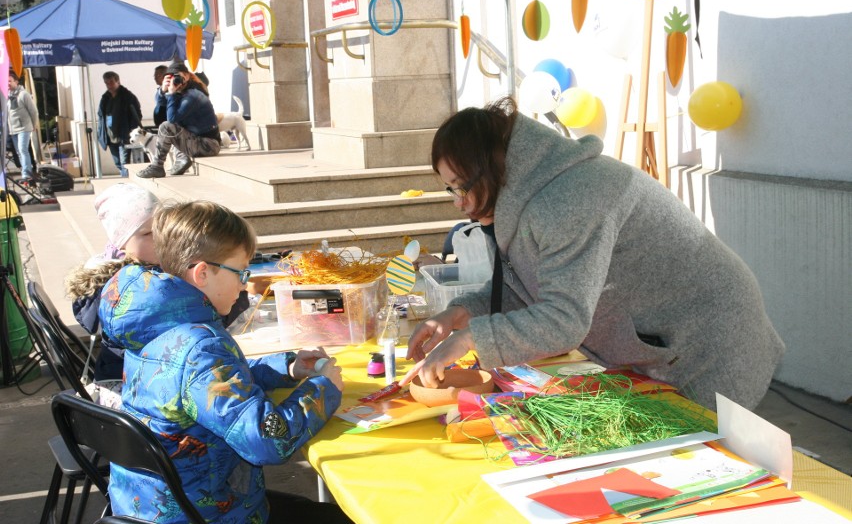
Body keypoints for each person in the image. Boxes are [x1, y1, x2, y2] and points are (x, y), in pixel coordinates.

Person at [406, 98, 785, 411]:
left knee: (706, 462)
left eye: (462, 187)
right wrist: (462, 313)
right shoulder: (522, 194)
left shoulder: (569, 199)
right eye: (449, 190)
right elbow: (526, 288)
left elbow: (563, 319)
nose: (459, 204)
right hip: (665, 340)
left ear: (491, 168)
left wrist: (470, 338)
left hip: (709, 339)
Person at [98, 200, 351, 522]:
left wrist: (286, 367)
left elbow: (206, 390)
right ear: (203, 272)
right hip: (207, 512)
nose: (245, 283)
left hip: (151, 507)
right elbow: (268, 440)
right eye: (241, 272)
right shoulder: (199, 347)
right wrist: (322, 388)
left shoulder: (158, 323)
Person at [65, 183, 159, 383]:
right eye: (147, 233)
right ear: (121, 241)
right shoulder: (116, 285)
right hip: (128, 383)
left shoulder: (153, 267)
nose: (160, 239)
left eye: (163, 229)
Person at [136, 60, 221, 179]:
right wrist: (162, 90)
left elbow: (171, 119)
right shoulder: (181, 93)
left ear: (186, 76)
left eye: (178, 77)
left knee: (167, 127)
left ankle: (157, 166)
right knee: (171, 127)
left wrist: (171, 94)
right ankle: (181, 157)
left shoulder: (193, 95)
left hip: (209, 145)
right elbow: (160, 104)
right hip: (197, 141)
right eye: (170, 78)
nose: (174, 81)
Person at [97, 71, 142, 177]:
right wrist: (101, 133)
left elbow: (137, 115)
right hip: (110, 137)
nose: (109, 85)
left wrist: (130, 131)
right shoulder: (105, 98)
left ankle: (127, 183)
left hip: (124, 136)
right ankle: (126, 180)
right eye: (106, 83)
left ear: (118, 81)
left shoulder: (128, 96)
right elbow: (101, 116)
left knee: (124, 164)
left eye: (111, 82)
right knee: (118, 164)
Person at [7, 71, 39, 185]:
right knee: (19, 152)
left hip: (24, 127)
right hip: (13, 129)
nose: (7, 83)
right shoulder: (7, 96)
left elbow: (33, 111)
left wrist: (34, 125)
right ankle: (25, 173)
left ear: (16, 81)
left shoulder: (23, 94)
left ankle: (27, 174)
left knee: (22, 149)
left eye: (9, 81)